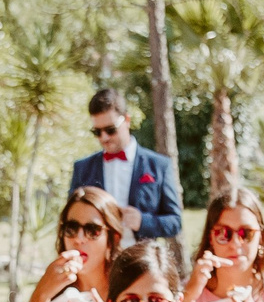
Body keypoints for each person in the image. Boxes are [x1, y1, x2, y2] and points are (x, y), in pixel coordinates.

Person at [70, 86, 182, 243]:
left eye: (110, 130)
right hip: (99, 259)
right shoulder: (83, 168)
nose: (104, 138)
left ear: (127, 120)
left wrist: (143, 221)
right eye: (97, 132)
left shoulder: (158, 165)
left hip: (140, 258)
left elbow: (175, 223)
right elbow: (72, 220)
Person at [23, 185, 124, 302]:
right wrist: (41, 295)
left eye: (92, 230)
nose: (79, 239)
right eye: (71, 228)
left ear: (113, 239)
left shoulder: (127, 293)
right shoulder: (54, 290)